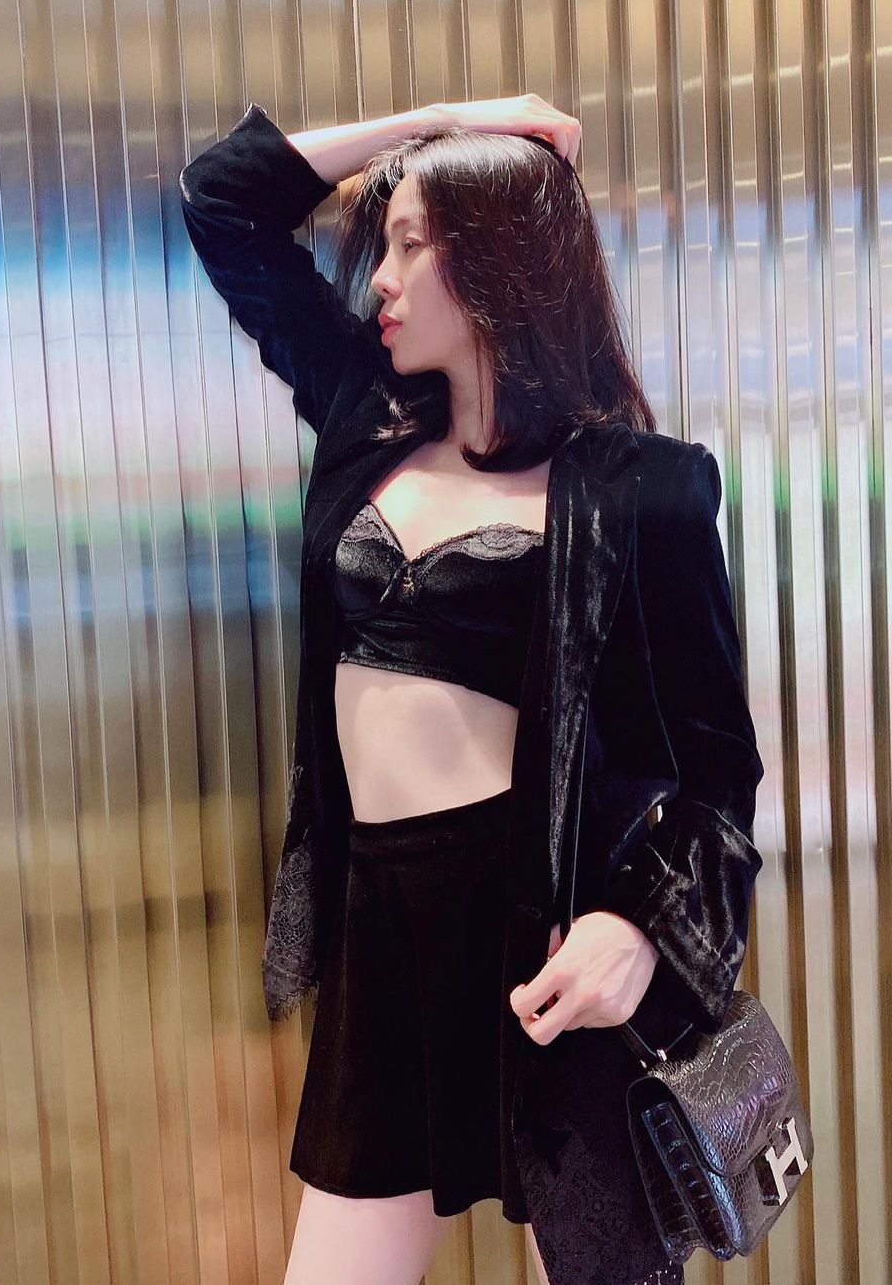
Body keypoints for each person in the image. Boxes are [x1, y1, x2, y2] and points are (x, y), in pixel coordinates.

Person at [178, 96, 764, 1285]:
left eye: (412, 244)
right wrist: (455, 122)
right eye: (383, 244)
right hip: (382, 937)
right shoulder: (366, 413)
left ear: (501, 262)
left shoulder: (642, 489)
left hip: (546, 940)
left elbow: (719, 772)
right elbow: (223, 199)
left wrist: (638, 930)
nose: (381, 281)